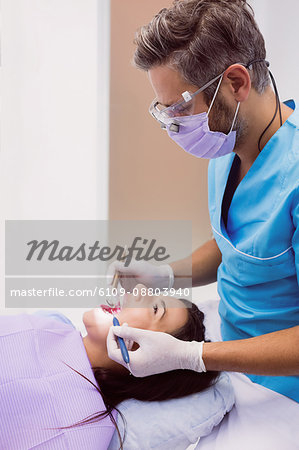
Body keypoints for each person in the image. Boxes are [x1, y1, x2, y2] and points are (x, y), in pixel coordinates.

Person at [107, 0, 299, 406]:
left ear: (236, 82)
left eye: (179, 107)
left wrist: (194, 357)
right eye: (164, 111)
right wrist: (163, 275)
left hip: (283, 393)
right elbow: (242, 247)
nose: (174, 124)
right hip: (230, 359)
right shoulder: (228, 146)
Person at [0, 286, 219, 450]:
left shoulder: (86, 434)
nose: (138, 289)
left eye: (155, 308)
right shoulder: (49, 324)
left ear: (149, 354)